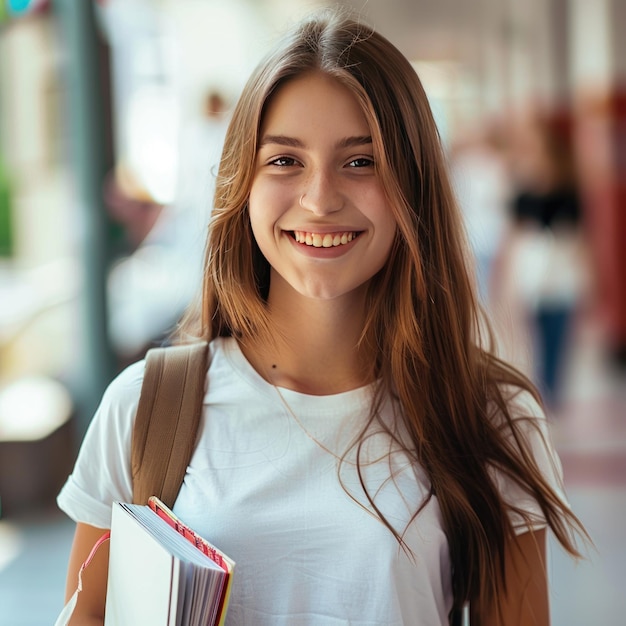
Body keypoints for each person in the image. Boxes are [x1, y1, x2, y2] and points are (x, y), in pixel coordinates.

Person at [57, 9, 587, 625]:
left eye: (361, 161)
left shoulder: (490, 415)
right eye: (285, 161)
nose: (320, 198)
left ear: (412, 185)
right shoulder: (145, 408)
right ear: (243, 186)